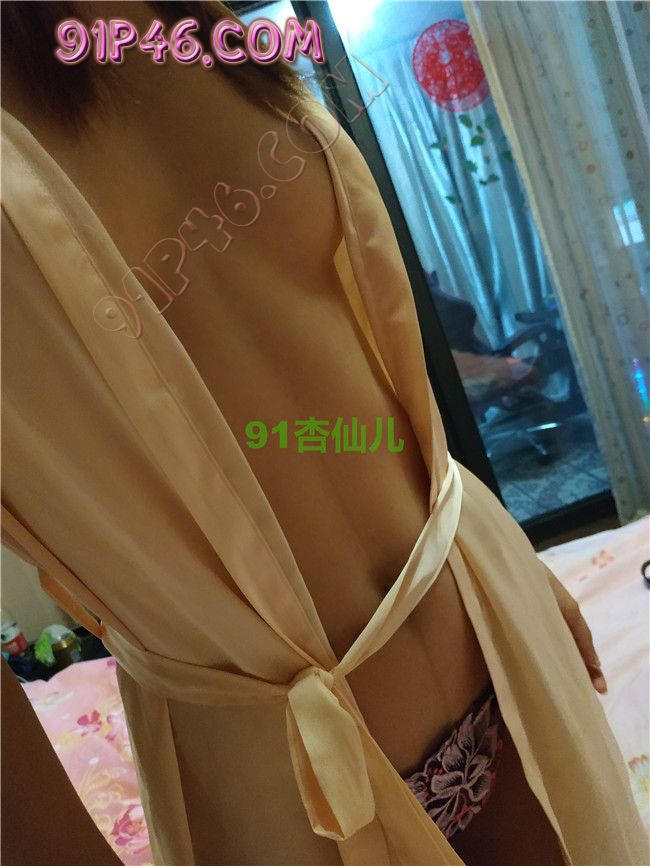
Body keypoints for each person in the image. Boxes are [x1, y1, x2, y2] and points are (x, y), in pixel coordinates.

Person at [1, 3, 646, 866]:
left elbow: (348, 370)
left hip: (502, 648)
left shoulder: (173, 19)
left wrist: (511, 562)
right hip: (281, 799)